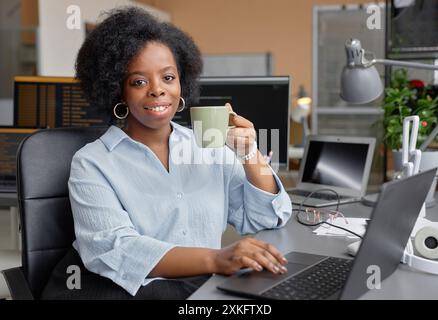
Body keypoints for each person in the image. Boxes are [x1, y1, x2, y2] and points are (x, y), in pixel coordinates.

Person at [41, 6, 292, 300]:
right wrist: (216, 258)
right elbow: (116, 249)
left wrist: (250, 154)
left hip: (197, 287)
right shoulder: (93, 162)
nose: (157, 90)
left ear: (182, 81)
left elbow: (268, 219)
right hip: (118, 290)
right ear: (118, 90)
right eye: (139, 81)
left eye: (168, 78)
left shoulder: (208, 145)